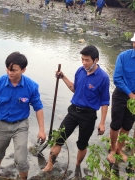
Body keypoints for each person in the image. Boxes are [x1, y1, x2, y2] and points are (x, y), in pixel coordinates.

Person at [0, 52, 46, 180]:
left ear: (23, 70)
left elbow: (38, 108)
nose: (10, 73)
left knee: (21, 159)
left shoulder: (31, 86)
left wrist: (42, 130)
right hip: (1, 125)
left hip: (20, 125)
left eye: (13, 70)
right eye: (8, 69)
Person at [42, 45, 110, 178]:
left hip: (89, 115)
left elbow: (105, 101)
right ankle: (50, 164)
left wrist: (102, 122)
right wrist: (63, 77)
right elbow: (74, 89)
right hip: (73, 111)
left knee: (82, 144)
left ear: (96, 60)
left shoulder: (103, 78)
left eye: (87, 60)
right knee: (59, 138)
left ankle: (78, 165)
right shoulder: (80, 71)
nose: (84, 63)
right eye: (82, 59)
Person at [107, 33, 135, 164]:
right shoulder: (123, 57)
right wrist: (130, 94)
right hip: (121, 95)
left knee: (127, 125)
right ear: (133, 43)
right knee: (116, 124)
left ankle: (119, 148)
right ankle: (112, 149)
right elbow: (117, 78)